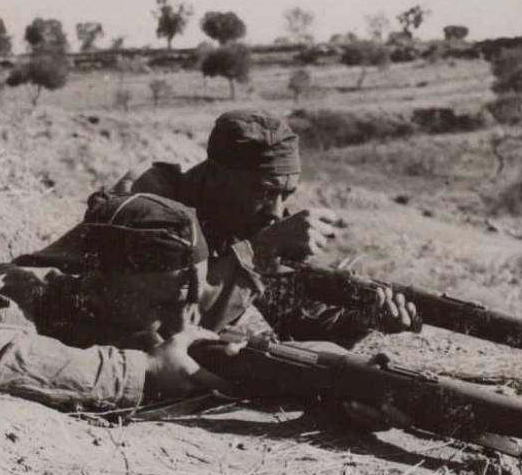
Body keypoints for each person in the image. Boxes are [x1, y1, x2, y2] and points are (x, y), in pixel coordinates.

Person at [112, 109, 420, 347]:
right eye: (264, 192)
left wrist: (365, 318)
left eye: (286, 194)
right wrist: (260, 251)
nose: (276, 212)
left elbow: (299, 324)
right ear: (217, 176)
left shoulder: (243, 213)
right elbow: (164, 333)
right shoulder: (151, 203)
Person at [0, 193, 227, 410]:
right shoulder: (20, 285)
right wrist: (146, 368)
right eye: (160, 305)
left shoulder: (122, 311)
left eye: (189, 305)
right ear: (99, 279)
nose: (179, 325)